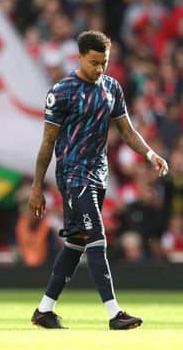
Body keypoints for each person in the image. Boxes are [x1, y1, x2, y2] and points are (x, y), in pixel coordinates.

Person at [29, 31, 168, 330]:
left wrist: (150, 154)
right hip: (73, 175)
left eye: (104, 62)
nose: (99, 69)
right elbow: (47, 143)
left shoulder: (111, 88)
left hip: (98, 174)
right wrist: (37, 186)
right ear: (79, 57)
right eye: (94, 62)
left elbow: (127, 132)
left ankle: (44, 310)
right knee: (97, 237)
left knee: (77, 243)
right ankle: (114, 313)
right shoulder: (62, 91)